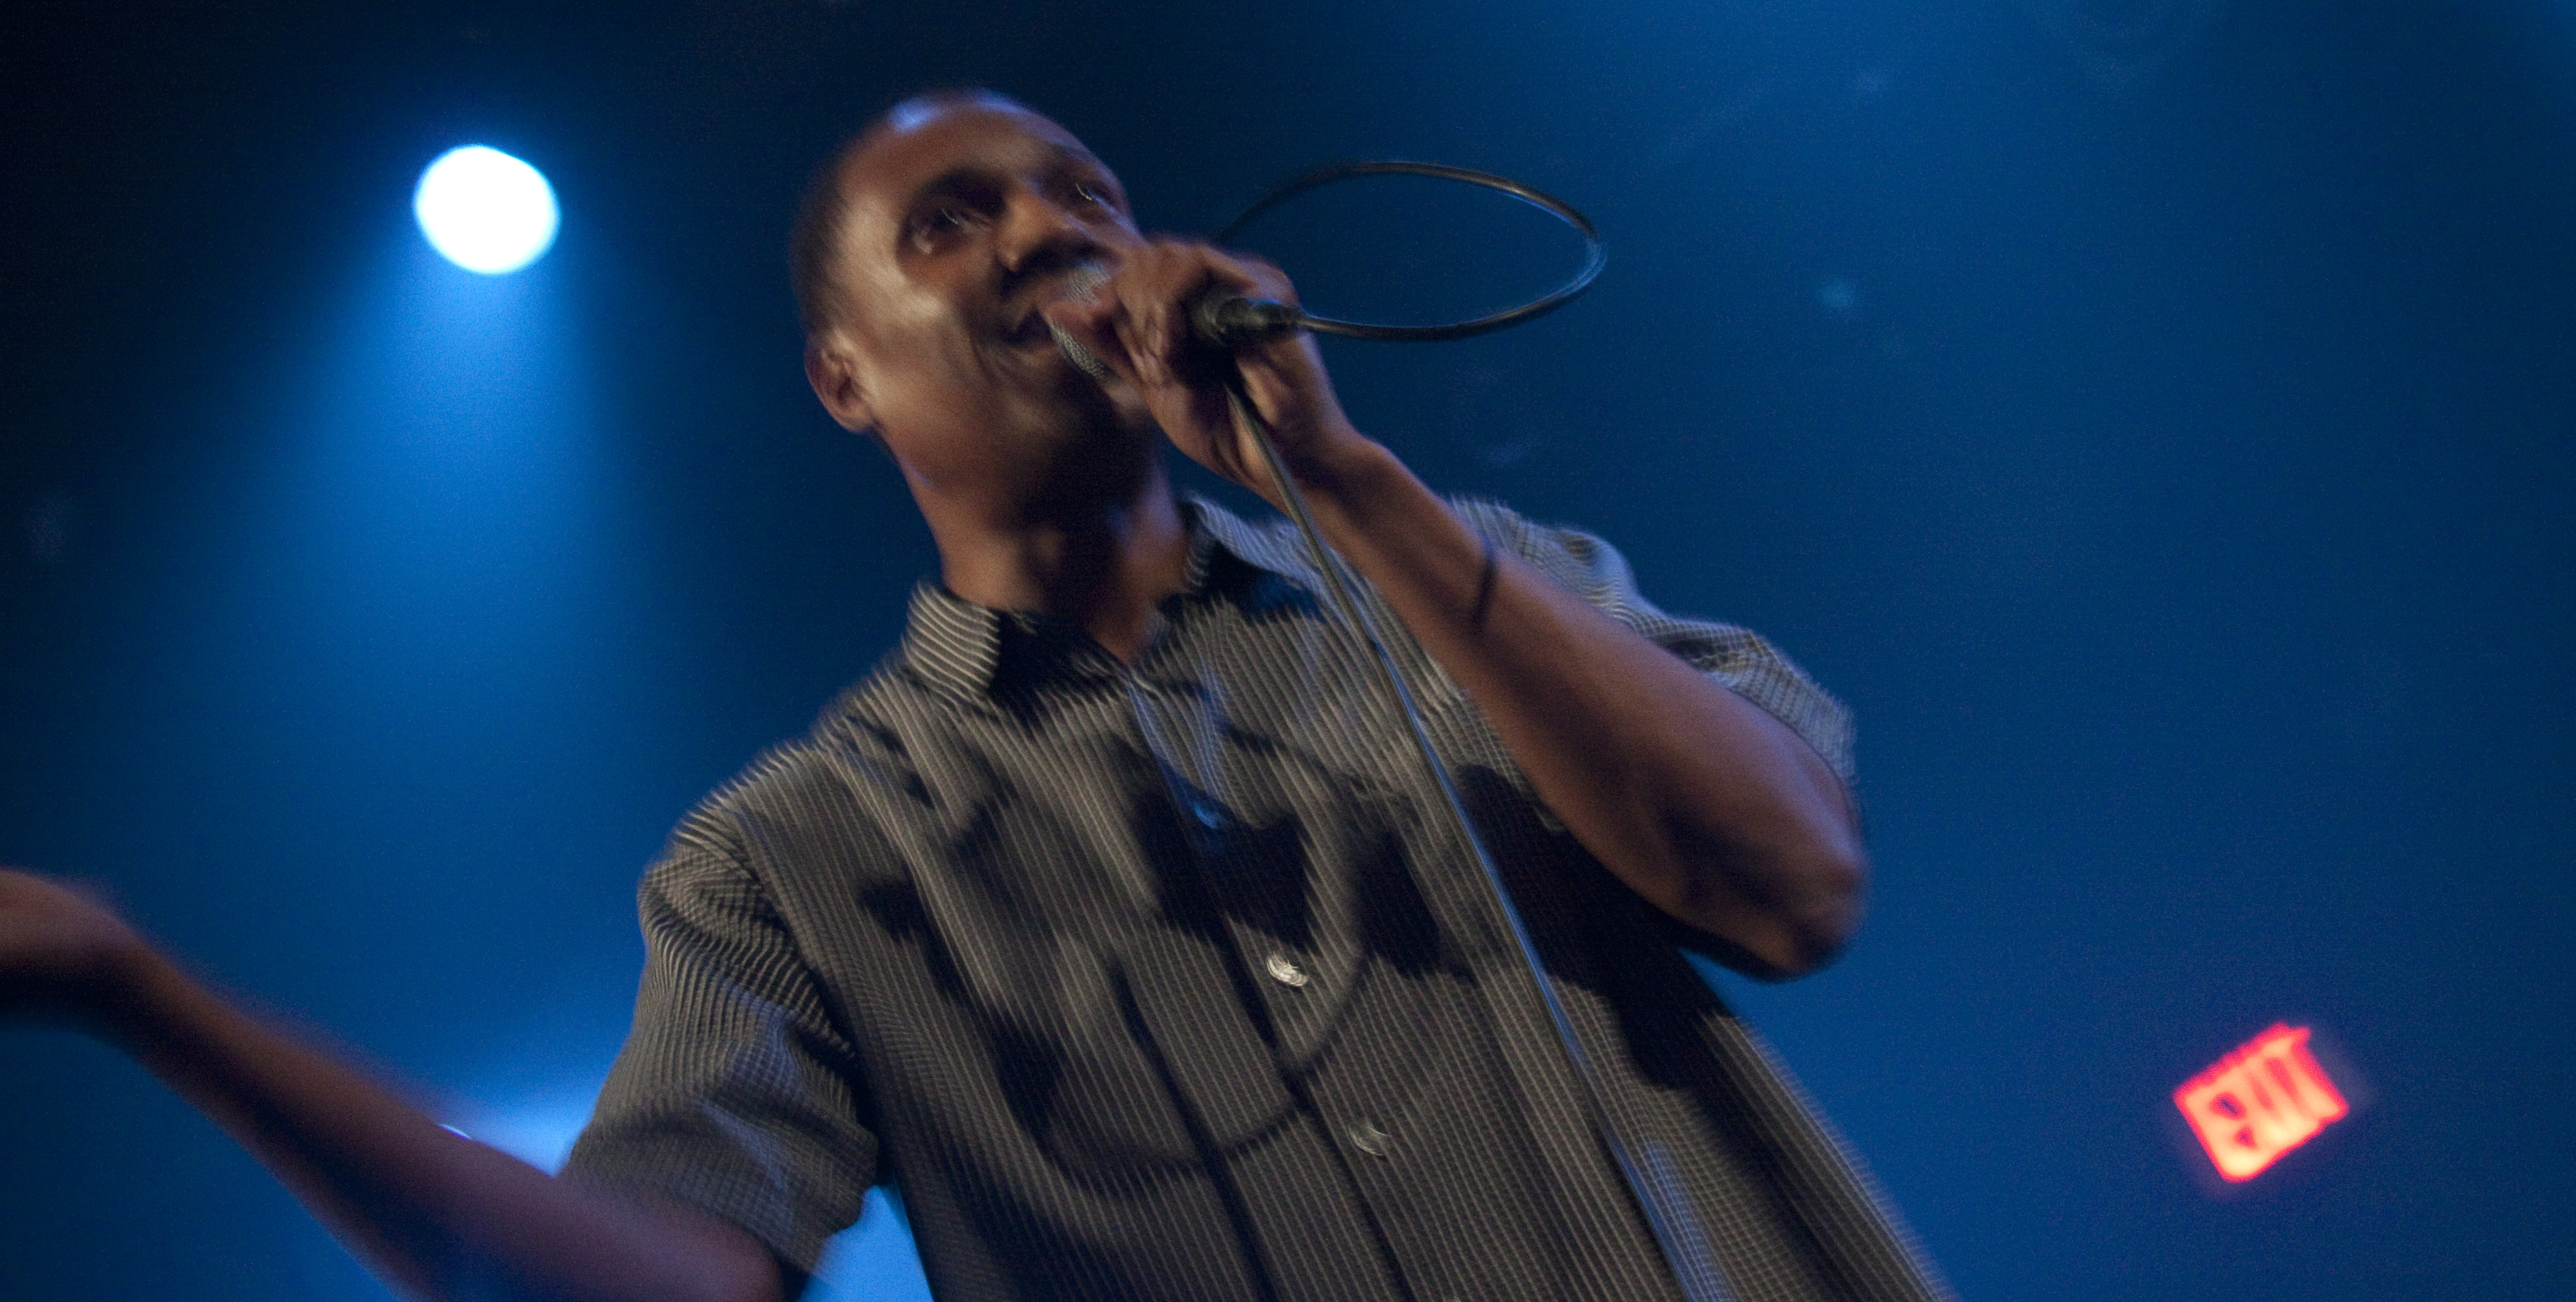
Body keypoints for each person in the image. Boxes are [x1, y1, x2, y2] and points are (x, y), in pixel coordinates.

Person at [0, 93, 1950, 1302]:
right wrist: (138, 992)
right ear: (844, 377)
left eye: (1085, 193)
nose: (1052, 232)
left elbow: (1793, 890)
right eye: (953, 221)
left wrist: (1344, 484)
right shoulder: (793, 861)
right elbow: (657, 1281)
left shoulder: (1484, 585)